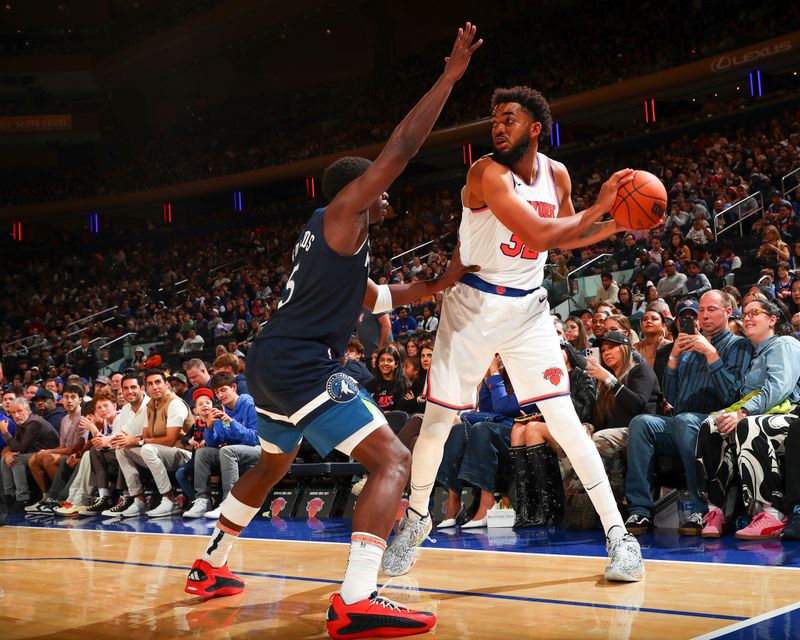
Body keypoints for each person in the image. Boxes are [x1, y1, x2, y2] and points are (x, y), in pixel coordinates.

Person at [184, 25, 482, 639]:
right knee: (392, 461)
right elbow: (400, 146)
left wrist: (439, 283)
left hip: (270, 361)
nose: (391, 197)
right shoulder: (342, 214)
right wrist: (449, 78)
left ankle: (209, 565)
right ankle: (357, 598)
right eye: (382, 190)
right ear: (360, 191)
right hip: (298, 364)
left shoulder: (339, 245)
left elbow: (379, 297)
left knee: (270, 465)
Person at [382, 84, 644, 583]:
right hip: (472, 307)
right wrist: (604, 207)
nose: (498, 127)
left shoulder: (557, 175)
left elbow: (565, 238)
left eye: (509, 119)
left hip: (526, 310)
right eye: (494, 120)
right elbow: (540, 234)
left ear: (535, 128)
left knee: (564, 420)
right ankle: (416, 520)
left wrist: (614, 226)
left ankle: (618, 535)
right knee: (438, 422)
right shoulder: (485, 173)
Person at [624, 290, 751, 537]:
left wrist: (711, 354)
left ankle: (700, 507)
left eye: (711, 309)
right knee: (641, 423)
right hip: (683, 423)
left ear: (727, 312)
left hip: (718, 423)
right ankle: (639, 508)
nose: (704, 316)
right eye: (701, 311)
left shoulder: (740, 345)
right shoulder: (688, 350)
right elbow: (670, 399)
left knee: (685, 420)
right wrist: (673, 359)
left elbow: (733, 397)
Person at [695, 298, 800, 539]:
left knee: (748, 424)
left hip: (790, 416)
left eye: (755, 313)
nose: (748, 318)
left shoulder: (785, 344)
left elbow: (778, 387)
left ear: (772, 320)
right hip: (759, 415)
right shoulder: (754, 354)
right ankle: (716, 510)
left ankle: (770, 512)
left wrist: (743, 412)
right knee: (711, 425)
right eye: (745, 314)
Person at [563, 332, 660, 529]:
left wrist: (609, 380)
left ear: (625, 348)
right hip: (614, 435)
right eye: (604, 350)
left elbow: (638, 405)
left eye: (612, 347)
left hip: (643, 433)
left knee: (601, 439)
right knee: (572, 442)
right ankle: (579, 506)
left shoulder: (640, 371)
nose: (606, 353)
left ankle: (615, 504)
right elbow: (601, 421)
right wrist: (588, 426)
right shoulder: (607, 384)